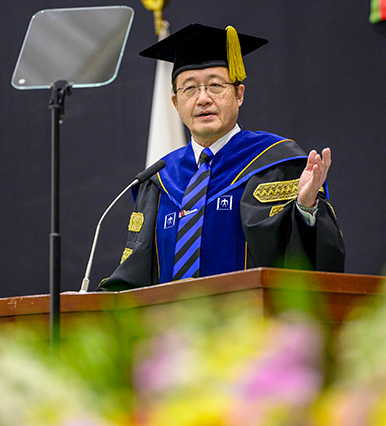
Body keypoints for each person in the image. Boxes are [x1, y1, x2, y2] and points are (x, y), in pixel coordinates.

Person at [99, 23, 344, 291]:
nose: (203, 99)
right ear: (176, 103)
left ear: (239, 94)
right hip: (170, 329)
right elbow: (135, 273)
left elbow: (308, 264)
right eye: (190, 89)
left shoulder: (276, 163)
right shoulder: (158, 181)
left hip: (249, 328)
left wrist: (306, 210)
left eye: (215, 85)